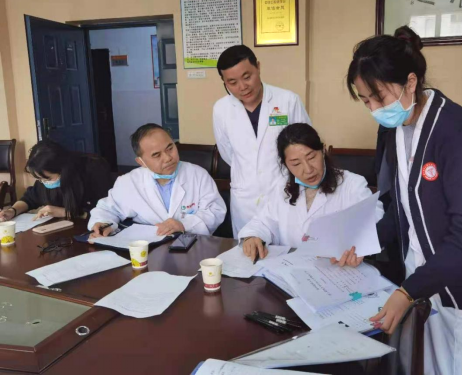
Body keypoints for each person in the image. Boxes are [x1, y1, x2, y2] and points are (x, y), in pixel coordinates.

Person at [347, 26, 462, 374]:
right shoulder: (400, 129)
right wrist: (364, 242)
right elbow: (402, 208)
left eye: (378, 97)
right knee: (432, 363)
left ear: (410, 82)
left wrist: (408, 291)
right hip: (431, 277)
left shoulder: (460, 133)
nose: (374, 109)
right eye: (365, 101)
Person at [238, 123, 384, 266]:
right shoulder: (282, 188)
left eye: (312, 157)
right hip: (291, 270)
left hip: (336, 270)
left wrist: (354, 244)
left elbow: (375, 221)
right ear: (286, 165)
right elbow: (264, 222)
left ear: (323, 150)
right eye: (296, 164)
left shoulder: (352, 185)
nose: (308, 170)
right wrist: (253, 236)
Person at [213, 45, 311, 238]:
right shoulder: (221, 109)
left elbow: (306, 145)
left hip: (284, 193)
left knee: (288, 249)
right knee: (249, 251)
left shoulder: (288, 100)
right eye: (232, 82)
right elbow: (227, 152)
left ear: (258, 67)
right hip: (245, 201)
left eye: (247, 77)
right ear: (224, 82)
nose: (242, 87)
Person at [88, 124, 226, 238]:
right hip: (149, 249)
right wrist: (103, 223)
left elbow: (215, 211)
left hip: (193, 245)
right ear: (141, 162)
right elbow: (107, 209)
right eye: (156, 155)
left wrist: (183, 224)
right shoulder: (129, 182)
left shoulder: (198, 175)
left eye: (170, 148)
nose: (168, 158)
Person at [0, 140, 112, 221]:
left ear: (62, 169)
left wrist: (65, 212)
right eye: (39, 179)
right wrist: (12, 211)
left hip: (92, 229)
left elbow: (107, 212)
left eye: (47, 178)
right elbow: (30, 198)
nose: (43, 182)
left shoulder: (93, 170)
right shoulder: (44, 176)